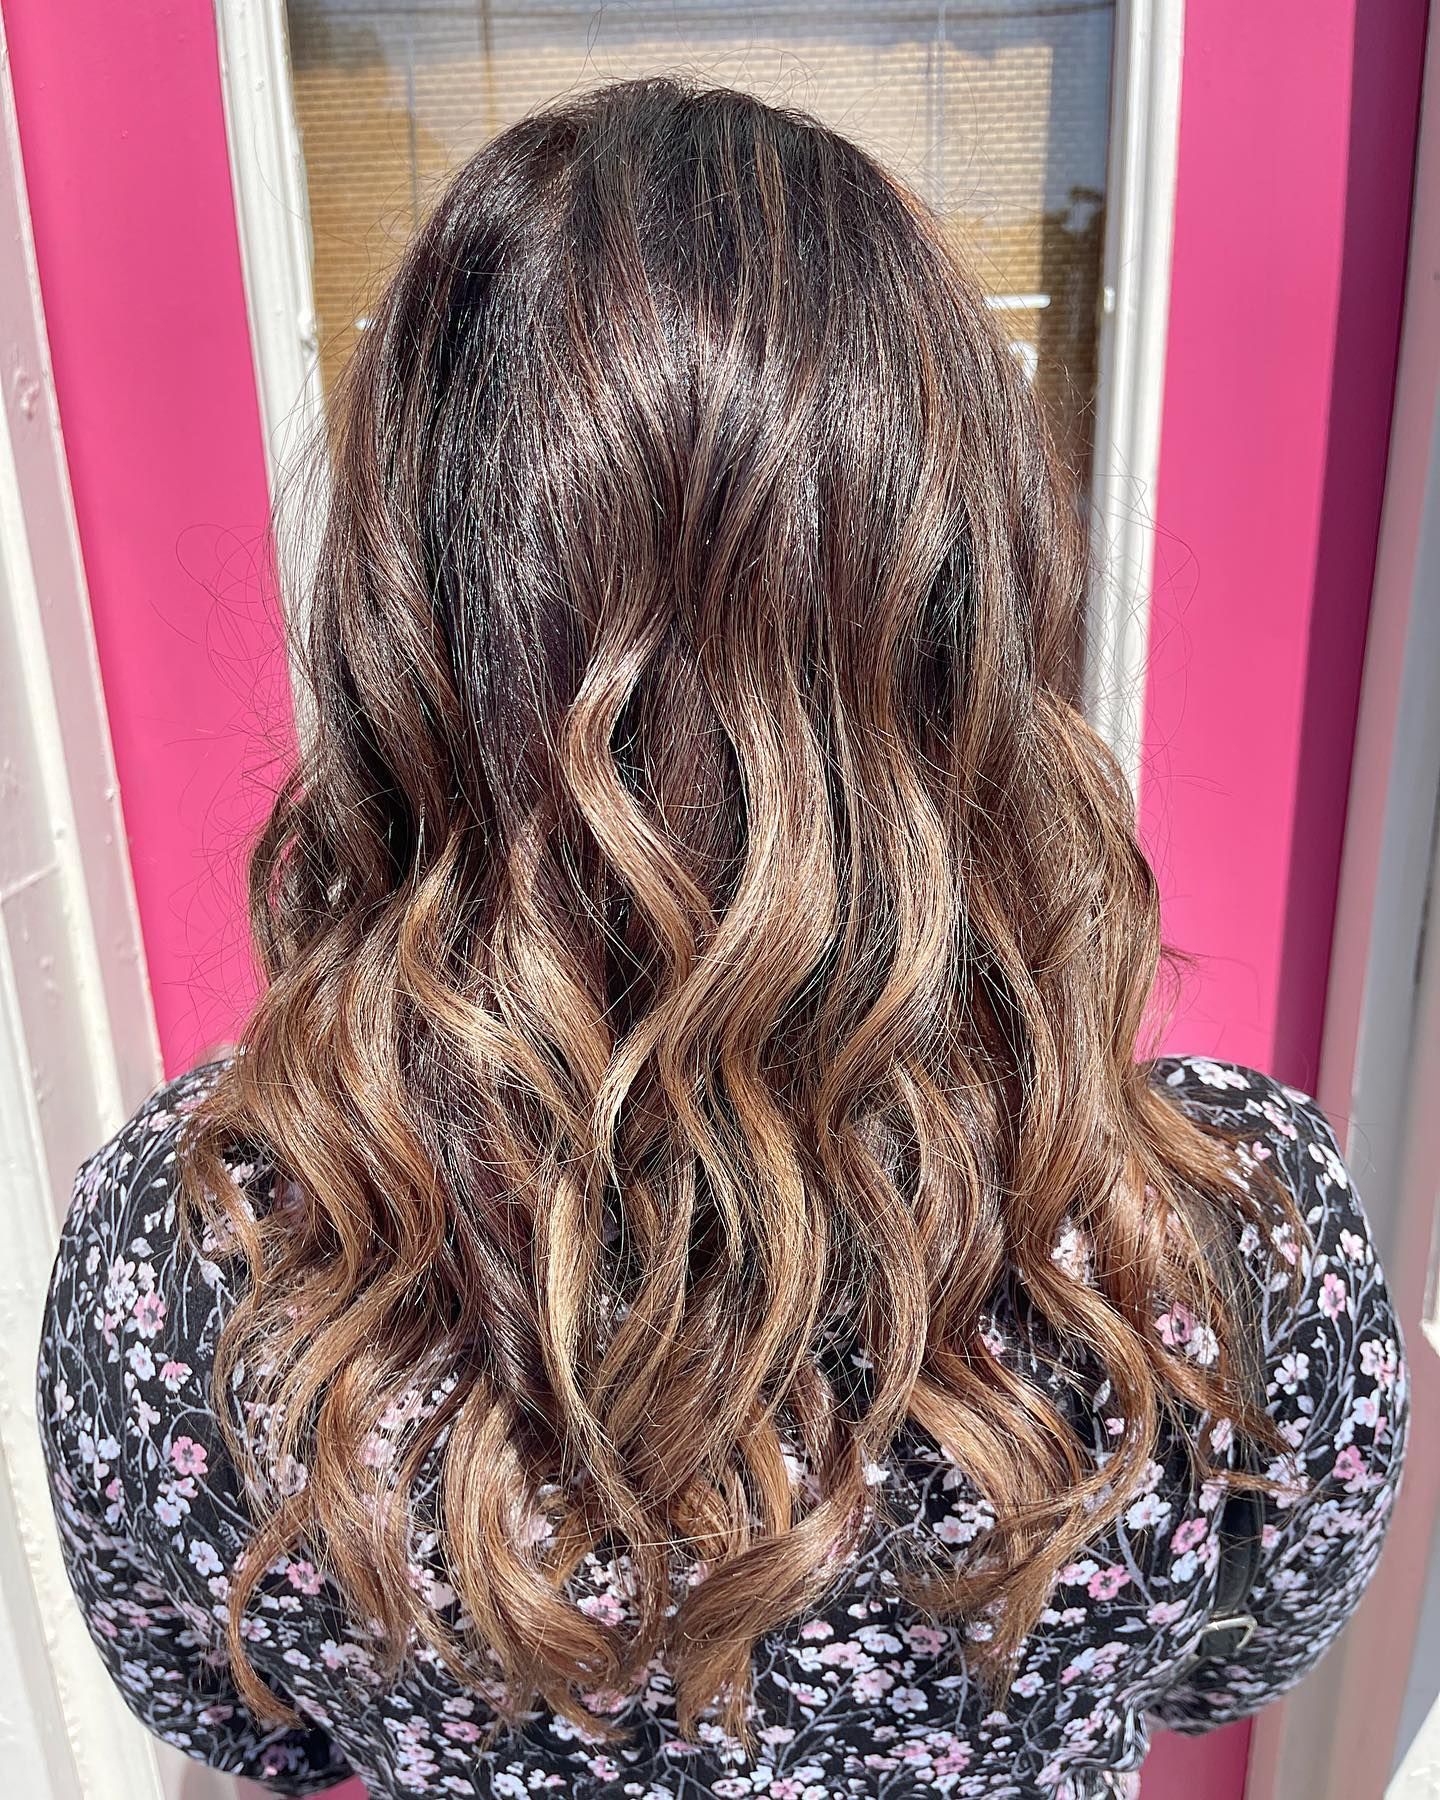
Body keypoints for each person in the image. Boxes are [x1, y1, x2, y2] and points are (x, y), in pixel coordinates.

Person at [36, 75, 1408, 1800]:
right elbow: (1248, 1654)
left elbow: (235, 1715)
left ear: (412, 617)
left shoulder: (196, 1264)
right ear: (962, 613)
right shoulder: (1212, 1243)